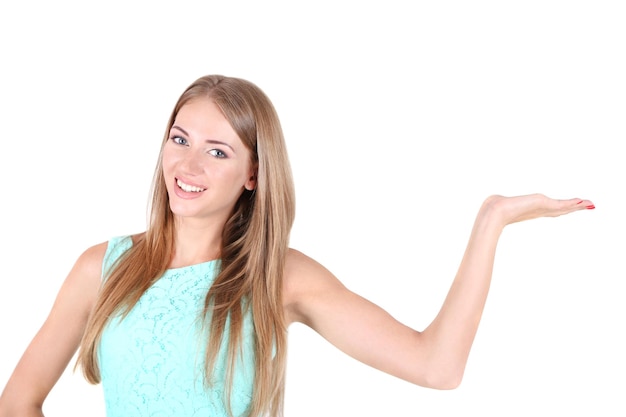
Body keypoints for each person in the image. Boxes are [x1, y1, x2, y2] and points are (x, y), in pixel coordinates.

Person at [0, 74, 595, 417]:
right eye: (179, 139)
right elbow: (18, 401)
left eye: (217, 150)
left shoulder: (278, 277)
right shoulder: (102, 267)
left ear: (254, 175)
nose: (187, 163)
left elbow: (436, 367)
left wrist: (490, 222)